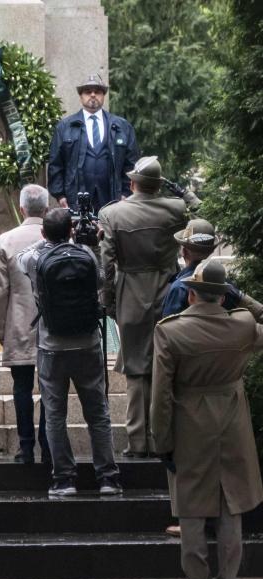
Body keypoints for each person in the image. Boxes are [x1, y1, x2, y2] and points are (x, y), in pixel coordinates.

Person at [151, 259, 263, 579]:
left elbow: (161, 396)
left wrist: (162, 441)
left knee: (192, 512)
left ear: (191, 296)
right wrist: (242, 296)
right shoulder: (242, 326)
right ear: (223, 296)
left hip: (189, 425)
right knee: (231, 507)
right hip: (232, 423)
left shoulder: (170, 332)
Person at [99, 156, 201, 458]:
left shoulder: (113, 214)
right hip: (170, 291)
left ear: (132, 183)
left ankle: (137, 441)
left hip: (130, 291)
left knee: (136, 370)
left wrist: (108, 300)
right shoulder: (177, 209)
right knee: (164, 366)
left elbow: (107, 263)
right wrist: (184, 192)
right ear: (159, 185)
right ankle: (162, 438)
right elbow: (205, 218)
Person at [18, 208, 120, 496]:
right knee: (98, 413)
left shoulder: (36, 259)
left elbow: (19, 258)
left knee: (54, 414)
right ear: (71, 231)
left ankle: (64, 480)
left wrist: (47, 241)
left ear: (43, 233)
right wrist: (86, 243)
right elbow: (100, 279)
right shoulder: (86, 255)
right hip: (87, 342)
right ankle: (108, 478)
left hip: (52, 346)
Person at [0, 184, 50, 464]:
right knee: (51, 388)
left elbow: (0, 289)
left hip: (19, 321)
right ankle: (48, 444)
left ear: (23, 208)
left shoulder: (6, 240)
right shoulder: (59, 236)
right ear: (47, 209)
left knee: (21, 387)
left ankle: (25, 447)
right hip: (53, 324)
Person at [48, 73, 139, 213]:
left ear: (103, 96)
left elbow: (131, 164)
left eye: (97, 91)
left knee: (110, 234)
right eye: (87, 91)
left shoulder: (122, 127)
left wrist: (126, 194)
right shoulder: (64, 127)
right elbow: (55, 164)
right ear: (80, 96)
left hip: (114, 199)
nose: (92, 95)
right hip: (75, 199)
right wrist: (60, 195)